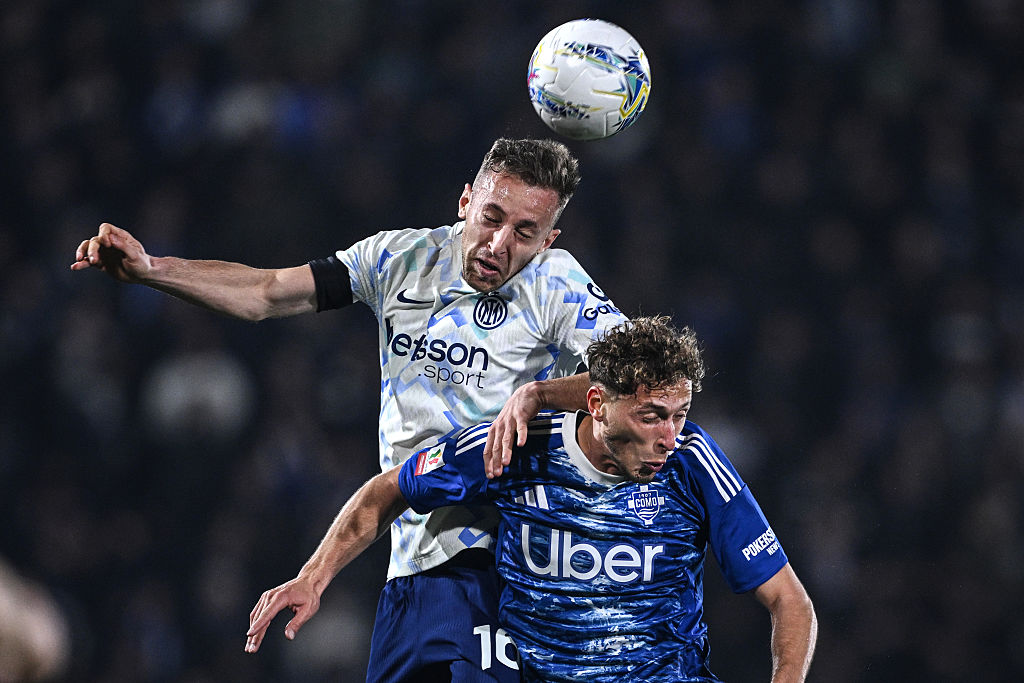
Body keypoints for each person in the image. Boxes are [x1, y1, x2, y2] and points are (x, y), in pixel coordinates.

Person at [71, 138, 628, 681]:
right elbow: (267, 291)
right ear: (465, 202)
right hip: (411, 562)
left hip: (511, 563)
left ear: (548, 240)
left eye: (524, 233)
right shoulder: (399, 259)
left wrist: (539, 395)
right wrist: (153, 269)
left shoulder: (555, 282)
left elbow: (639, 378)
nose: (499, 244)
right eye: (491, 218)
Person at [245, 316, 818, 682]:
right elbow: (389, 489)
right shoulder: (518, 446)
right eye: (651, 416)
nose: (669, 436)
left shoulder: (694, 463)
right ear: (597, 403)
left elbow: (790, 602)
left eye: (679, 414)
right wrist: (313, 577)